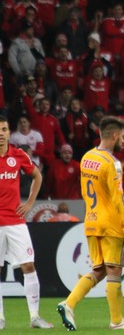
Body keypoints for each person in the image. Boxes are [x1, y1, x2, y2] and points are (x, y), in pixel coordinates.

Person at [57, 116, 124, 330]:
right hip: (111, 223)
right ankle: (117, 321)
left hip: (92, 221)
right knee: (114, 271)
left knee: (99, 269)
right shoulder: (113, 163)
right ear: (115, 135)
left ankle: (69, 303)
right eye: (122, 135)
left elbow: (86, 192)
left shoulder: (86, 158)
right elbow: (117, 198)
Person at [0, 116, 53, 330]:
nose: (0, 133)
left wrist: (30, 202)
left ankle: (34, 317)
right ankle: (0, 319)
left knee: (28, 265)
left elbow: (37, 177)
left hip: (15, 220)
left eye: (4, 129)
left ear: (8, 132)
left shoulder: (18, 154)